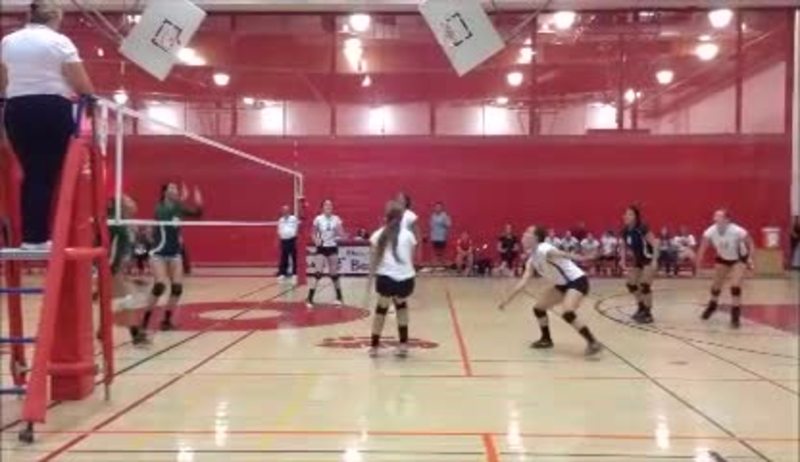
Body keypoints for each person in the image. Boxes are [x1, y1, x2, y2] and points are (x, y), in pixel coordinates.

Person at [1, 0, 94, 250]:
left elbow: (2, 80)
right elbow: (81, 84)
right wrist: (90, 99)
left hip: (17, 109)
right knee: (46, 174)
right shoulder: (60, 42)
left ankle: (32, 236)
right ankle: (37, 237)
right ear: (55, 18)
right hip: (51, 108)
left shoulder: (8, 42)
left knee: (32, 172)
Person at [498, 226, 602, 356]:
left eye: (528, 232)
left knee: (568, 312)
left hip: (577, 281)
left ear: (536, 238)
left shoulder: (544, 249)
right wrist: (507, 300)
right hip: (562, 285)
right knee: (539, 308)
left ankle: (593, 342)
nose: (524, 235)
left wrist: (585, 258)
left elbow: (564, 254)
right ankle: (546, 339)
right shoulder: (532, 260)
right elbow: (523, 282)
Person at [138, 182, 203, 343]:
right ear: (165, 192)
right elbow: (166, 217)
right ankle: (144, 323)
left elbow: (197, 214)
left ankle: (166, 321)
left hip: (174, 253)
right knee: (160, 286)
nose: (175, 190)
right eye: (171, 188)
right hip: (159, 253)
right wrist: (182, 200)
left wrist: (199, 202)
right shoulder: (160, 208)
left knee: (177, 288)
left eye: (176, 188)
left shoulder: (178, 207)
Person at [368, 200, 417, 358]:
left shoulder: (378, 235)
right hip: (406, 281)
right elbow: (411, 258)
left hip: (386, 280)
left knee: (381, 310)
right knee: (401, 306)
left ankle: (374, 346)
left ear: (386, 218)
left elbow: (374, 260)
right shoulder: (409, 235)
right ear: (401, 218)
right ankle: (403, 345)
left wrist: (370, 280)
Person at [695, 209, 755, 328]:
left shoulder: (737, 231)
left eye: (719, 216)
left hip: (739, 259)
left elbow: (751, 244)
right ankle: (712, 305)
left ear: (727, 220)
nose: (715, 217)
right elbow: (702, 249)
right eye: (715, 215)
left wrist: (750, 258)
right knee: (716, 286)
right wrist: (698, 266)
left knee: (735, 286)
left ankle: (735, 315)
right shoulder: (710, 231)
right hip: (722, 259)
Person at [107, 195, 140, 342]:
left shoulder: (125, 223)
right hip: (109, 268)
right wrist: (112, 270)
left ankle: (102, 331)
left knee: (112, 300)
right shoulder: (116, 224)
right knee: (127, 299)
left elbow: (124, 251)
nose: (133, 202)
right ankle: (136, 334)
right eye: (129, 200)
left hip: (115, 268)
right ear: (121, 206)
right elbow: (110, 249)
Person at [621, 205, 660, 324]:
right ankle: (641, 307)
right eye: (626, 213)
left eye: (630, 214)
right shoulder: (625, 231)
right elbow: (623, 246)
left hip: (649, 258)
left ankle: (648, 313)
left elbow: (656, 243)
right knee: (631, 284)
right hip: (638, 260)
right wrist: (622, 259)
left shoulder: (642, 228)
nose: (626, 216)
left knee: (644, 285)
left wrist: (654, 261)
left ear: (635, 217)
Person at [307, 199, 345, 307]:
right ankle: (309, 299)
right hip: (322, 247)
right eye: (326, 205)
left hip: (332, 247)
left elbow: (341, 233)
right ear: (322, 207)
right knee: (318, 273)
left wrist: (339, 231)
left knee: (334, 274)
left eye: (330, 205)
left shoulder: (336, 219)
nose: (328, 206)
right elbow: (313, 233)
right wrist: (316, 240)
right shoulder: (318, 219)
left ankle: (339, 298)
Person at [276, 205, 299, 281]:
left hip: (292, 240)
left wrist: (294, 236)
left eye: (286, 210)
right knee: (284, 257)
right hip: (284, 240)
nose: (285, 212)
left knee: (293, 257)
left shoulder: (293, 219)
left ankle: (295, 273)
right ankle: (283, 273)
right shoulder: (281, 220)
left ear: (289, 211)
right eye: (284, 211)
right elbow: (279, 229)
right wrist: (281, 236)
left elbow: (296, 228)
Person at [429, 202, 451, 268]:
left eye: (439, 207)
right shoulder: (433, 215)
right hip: (434, 236)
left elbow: (448, 224)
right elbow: (431, 225)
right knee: (435, 251)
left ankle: (442, 264)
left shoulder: (444, 215)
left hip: (442, 236)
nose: (437, 208)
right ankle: (435, 264)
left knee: (441, 251)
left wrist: (444, 222)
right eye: (436, 207)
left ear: (442, 208)